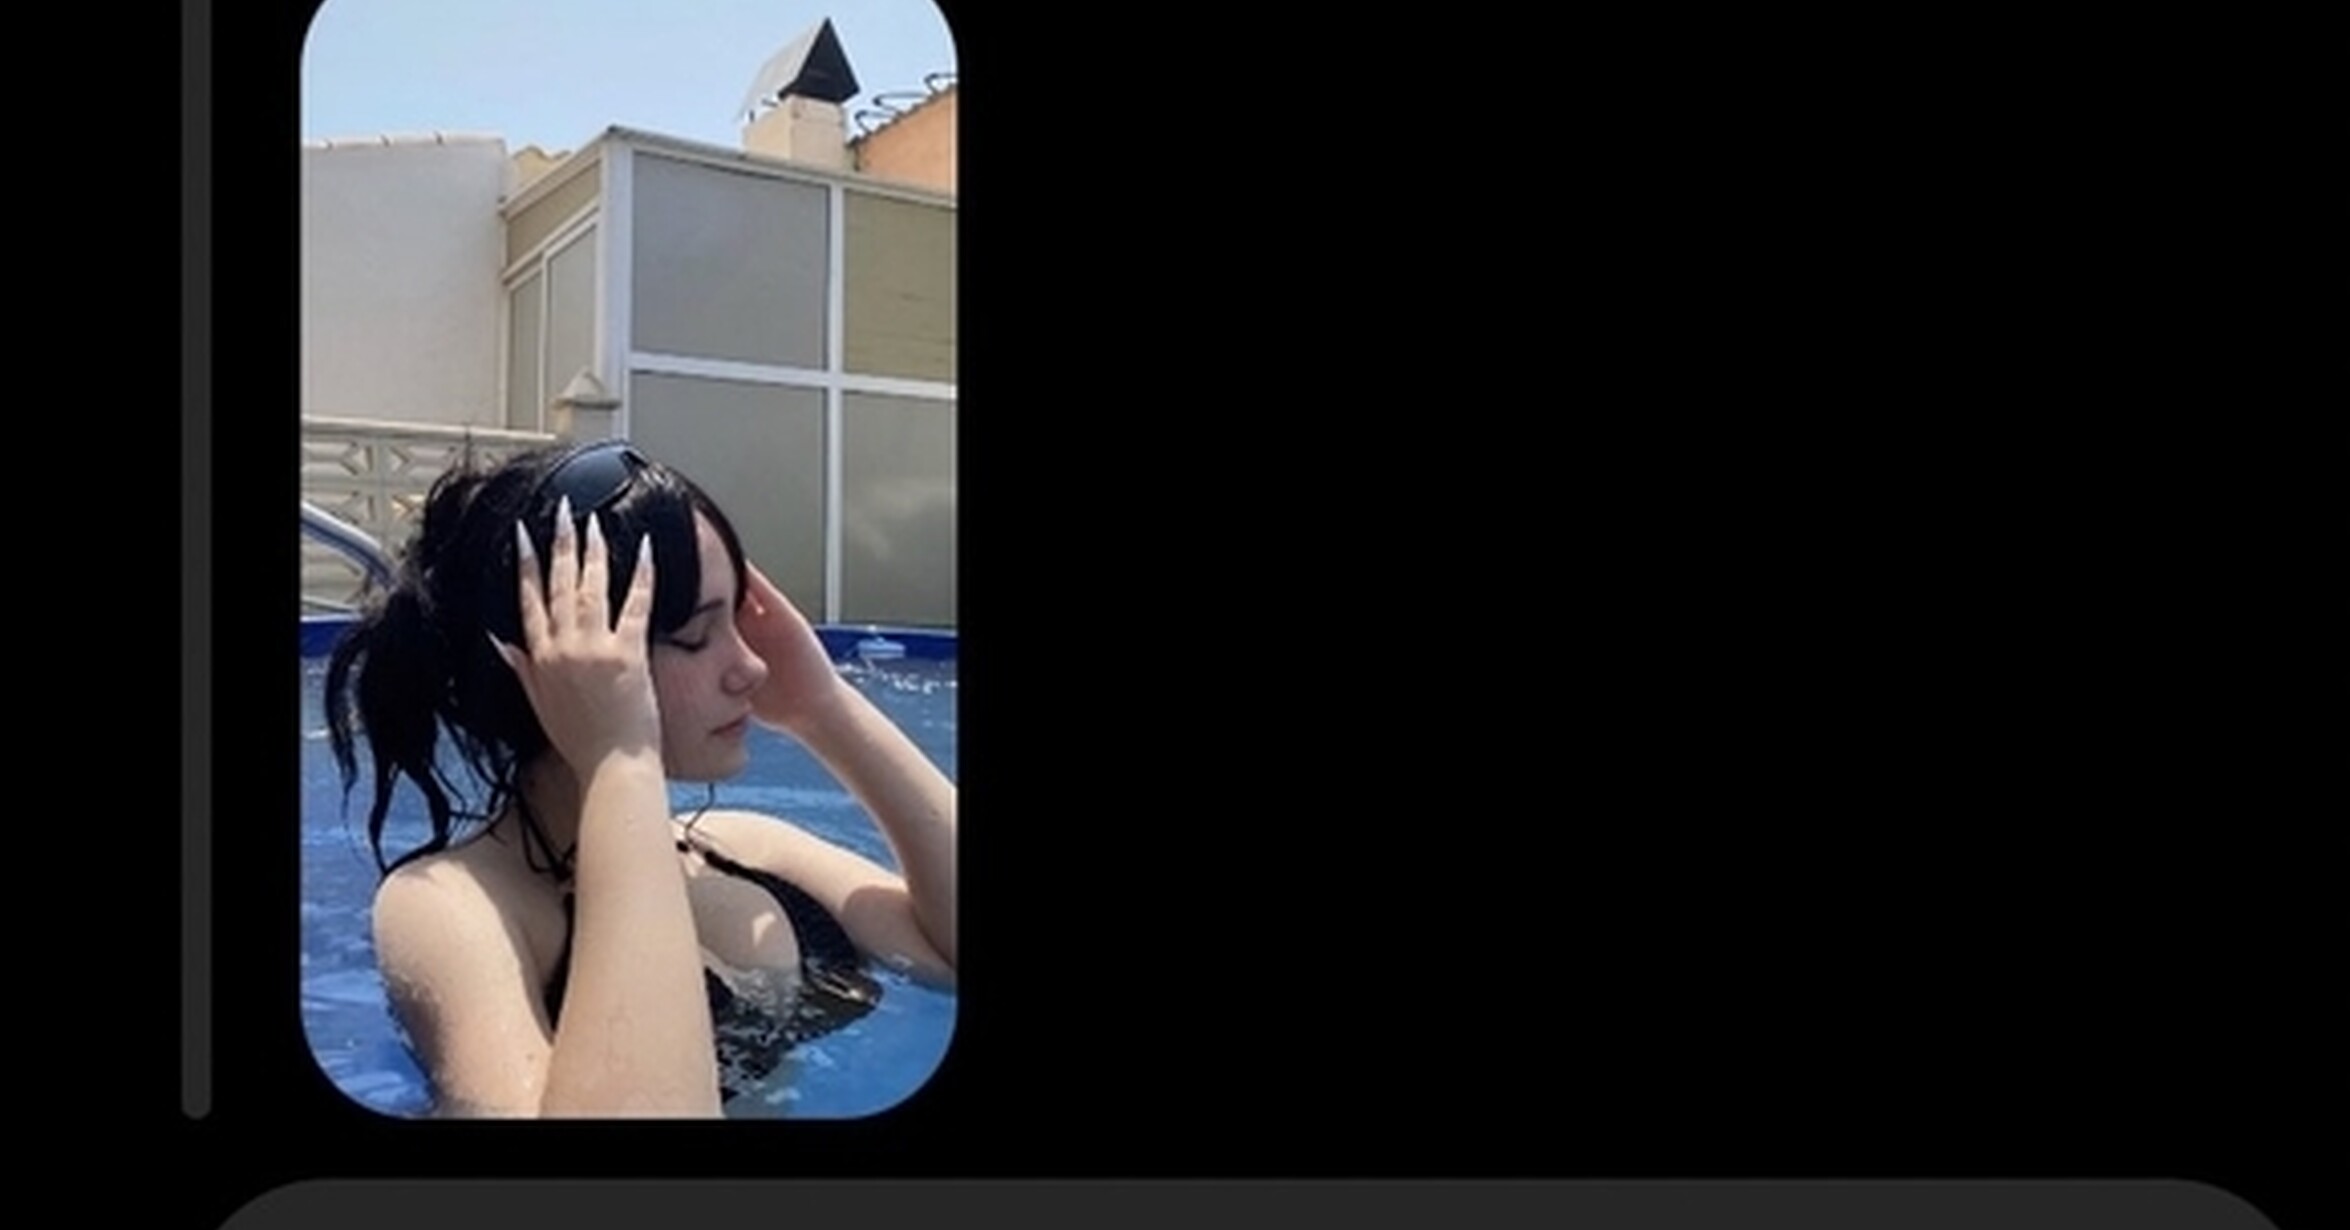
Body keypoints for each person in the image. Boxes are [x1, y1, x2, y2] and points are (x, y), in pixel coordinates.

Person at [323, 438, 956, 1118]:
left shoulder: (741, 844)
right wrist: (619, 759)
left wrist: (823, 708)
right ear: (557, 663)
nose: (752, 667)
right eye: (696, 636)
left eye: (739, 621)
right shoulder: (453, 907)